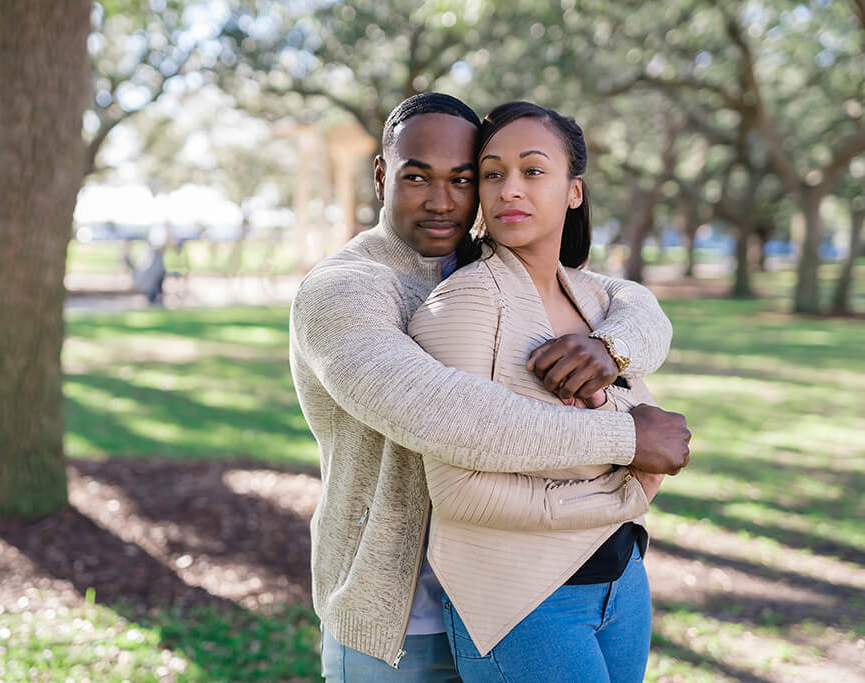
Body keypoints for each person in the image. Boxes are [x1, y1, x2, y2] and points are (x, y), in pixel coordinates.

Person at [288, 93, 691, 681]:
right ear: (381, 176)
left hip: (512, 591)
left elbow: (630, 301)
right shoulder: (344, 291)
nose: (442, 201)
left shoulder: (487, 263)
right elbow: (453, 418)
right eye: (417, 176)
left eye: (463, 178)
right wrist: (626, 438)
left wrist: (611, 347)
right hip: (398, 628)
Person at [408, 101, 682, 682]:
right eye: (492, 173)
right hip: (524, 602)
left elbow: (644, 324)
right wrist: (622, 493)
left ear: (573, 191)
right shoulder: (465, 303)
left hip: (621, 581)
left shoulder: (596, 298)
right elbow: (459, 493)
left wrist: (615, 360)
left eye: (533, 171)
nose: (510, 189)